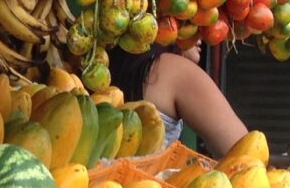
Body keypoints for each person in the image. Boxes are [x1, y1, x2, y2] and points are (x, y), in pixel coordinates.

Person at [106, 44, 249, 157]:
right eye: (187, 22)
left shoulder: (102, 69)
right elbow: (248, 156)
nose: (201, 32)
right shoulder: (176, 71)